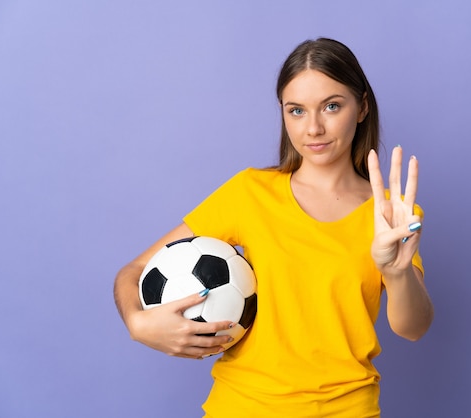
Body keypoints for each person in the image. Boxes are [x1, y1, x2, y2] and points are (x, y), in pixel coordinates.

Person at [114, 37, 433, 417]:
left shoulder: (391, 214)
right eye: (296, 110)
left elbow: (413, 328)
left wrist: (396, 273)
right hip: (242, 406)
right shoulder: (250, 193)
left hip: (348, 409)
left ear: (362, 108)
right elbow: (133, 272)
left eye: (332, 106)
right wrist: (137, 322)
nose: (313, 127)